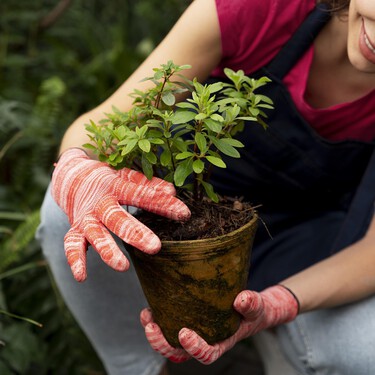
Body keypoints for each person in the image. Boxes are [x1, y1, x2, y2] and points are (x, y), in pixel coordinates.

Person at [36, 0, 375, 374]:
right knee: (66, 209)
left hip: (311, 246)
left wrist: (279, 303)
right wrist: (80, 170)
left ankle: (286, 344)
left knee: (366, 349)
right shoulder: (260, 8)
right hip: (179, 213)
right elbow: (96, 132)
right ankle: (140, 369)